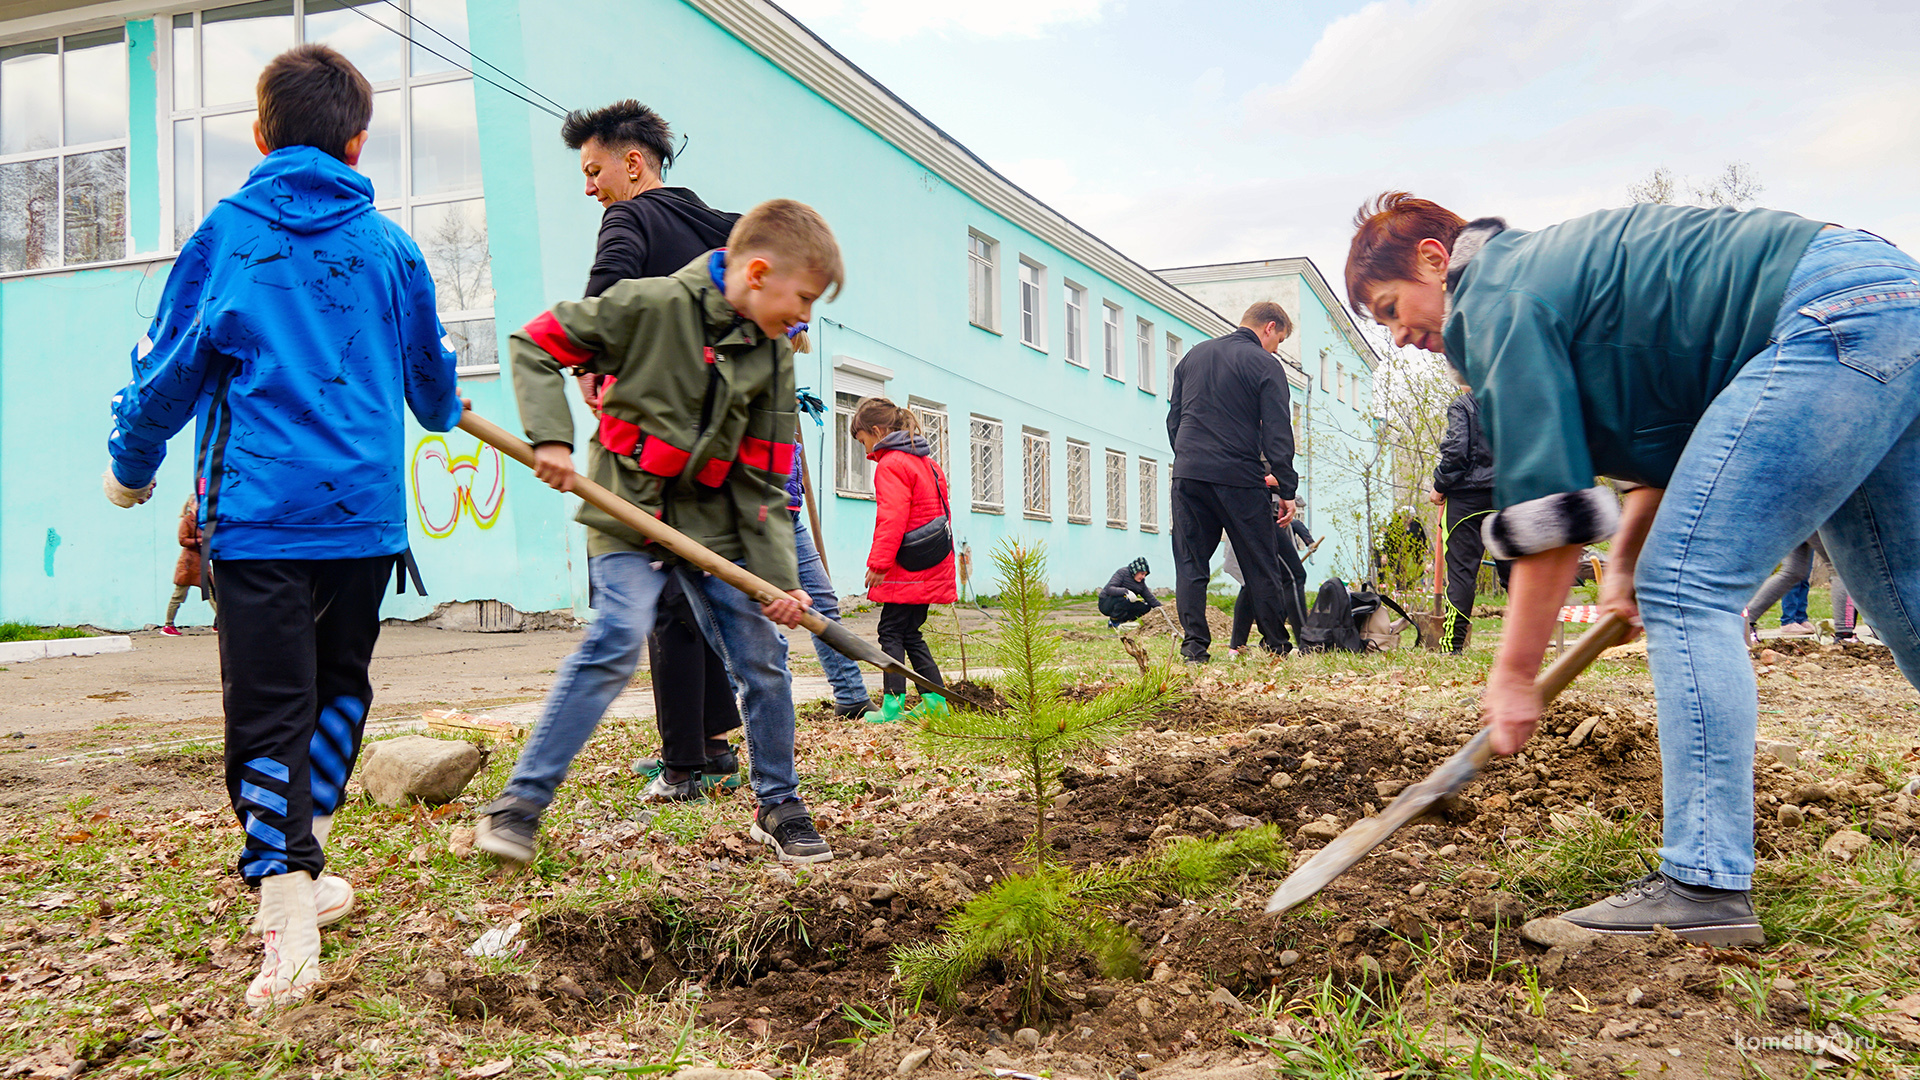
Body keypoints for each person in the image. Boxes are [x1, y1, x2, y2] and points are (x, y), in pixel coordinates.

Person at [1346, 191, 1920, 946]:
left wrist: (1515, 674)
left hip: (1824, 315)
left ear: (1433, 260)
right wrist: (1620, 568)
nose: (1398, 337)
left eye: (1390, 310)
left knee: (1687, 587)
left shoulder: (1493, 299)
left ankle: (1703, 885)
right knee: (1900, 590)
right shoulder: (1562, 286)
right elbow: (1679, 448)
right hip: (1885, 303)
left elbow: (1552, 516)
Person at [104, 44, 462, 1009]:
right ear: (357, 141)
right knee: (338, 692)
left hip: (257, 523)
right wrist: (440, 367)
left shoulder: (227, 237)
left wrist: (130, 469)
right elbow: (434, 397)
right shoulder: (391, 249)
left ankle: (290, 919)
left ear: (258, 136)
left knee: (268, 712)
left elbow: (167, 368)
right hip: (361, 526)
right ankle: (302, 875)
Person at [475, 200, 844, 866]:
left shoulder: (773, 360)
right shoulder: (646, 307)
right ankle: (518, 807)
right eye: (805, 298)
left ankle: (779, 804)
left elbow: (761, 483)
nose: (805, 318)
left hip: (714, 527)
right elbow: (536, 343)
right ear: (758, 272)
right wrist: (552, 437)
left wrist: (779, 582)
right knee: (618, 636)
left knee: (763, 661)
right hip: (627, 507)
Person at [1166, 302, 1300, 663]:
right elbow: (1277, 431)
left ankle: (1194, 649)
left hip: (1189, 474)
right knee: (1260, 562)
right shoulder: (1264, 363)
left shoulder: (1193, 356)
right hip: (1238, 477)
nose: (1276, 349)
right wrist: (1286, 489)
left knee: (1191, 564)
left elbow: (1174, 420)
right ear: (1270, 327)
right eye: (1279, 340)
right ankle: (1276, 645)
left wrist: (1188, 459)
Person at [850, 397, 956, 724]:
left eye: (864, 440)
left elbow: (892, 518)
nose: (866, 450)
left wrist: (879, 564)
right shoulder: (927, 463)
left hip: (906, 566)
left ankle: (892, 706)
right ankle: (936, 701)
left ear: (878, 431)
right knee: (911, 632)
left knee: (891, 632)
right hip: (931, 560)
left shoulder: (892, 464)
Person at [790, 439, 877, 718]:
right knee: (737, 612)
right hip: (750, 514)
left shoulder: (782, 403)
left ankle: (852, 698)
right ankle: (721, 717)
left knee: (822, 601)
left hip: (789, 515)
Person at [1428, 387, 1508, 652]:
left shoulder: (1463, 404)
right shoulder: (1512, 400)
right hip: (1506, 495)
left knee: (1462, 574)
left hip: (1466, 500)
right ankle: (1526, 644)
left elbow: (1456, 452)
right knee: (1516, 574)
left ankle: (1454, 646)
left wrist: (1439, 485)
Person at [162, 495, 214, 635]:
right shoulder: (186, 520)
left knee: (213, 594)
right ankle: (168, 625)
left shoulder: (202, 521)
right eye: (198, 503)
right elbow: (183, 540)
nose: (201, 506)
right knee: (179, 595)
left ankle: (219, 623)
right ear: (191, 504)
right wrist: (201, 540)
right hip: (189, 564)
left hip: (202, 563)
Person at [1098, 558, 1162, 629]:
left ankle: (1123, 621)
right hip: (1106, 603)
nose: (1143, 577)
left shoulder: (1141, 583)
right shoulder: (1122, 573)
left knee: (1146, 606)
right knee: (1124, 598)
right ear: (1136, 571)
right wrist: (1125, 591)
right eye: (1142, 574)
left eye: (1145, 575)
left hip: (1124, 604)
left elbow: (1150, 599)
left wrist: (1163, 609)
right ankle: (1113, 622)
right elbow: (1109, 589)